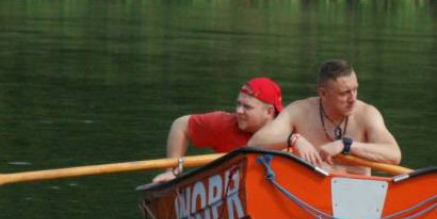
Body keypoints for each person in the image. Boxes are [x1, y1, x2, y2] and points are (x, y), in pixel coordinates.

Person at [248, 59, 401, 174]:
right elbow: (254, 143)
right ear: (323, 93)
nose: (353, 98)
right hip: (308, 198)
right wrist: (294, 139)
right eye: (344, 93)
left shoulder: (367, 114)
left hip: (357, 199)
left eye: (355, 90)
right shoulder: (299, 111)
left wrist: (346, 145)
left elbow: (394, 155)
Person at [152, 77, 283, 183]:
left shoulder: (291, 131)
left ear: (269, 112)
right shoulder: (225, 124)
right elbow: (180, 125)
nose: (238, 111)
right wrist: (171, 171)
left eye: (247, 107)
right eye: (238, 104)